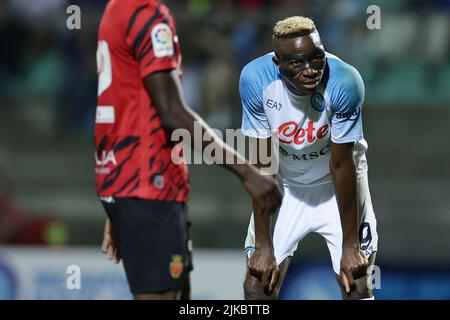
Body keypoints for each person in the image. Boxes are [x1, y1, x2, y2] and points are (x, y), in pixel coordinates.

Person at [95, 0, 282, 300]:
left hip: (129, 181)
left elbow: (125, 99)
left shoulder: (116, 9)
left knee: (180, 293)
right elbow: (171, 113)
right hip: (147, 184)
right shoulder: (148, 15)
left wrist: (120, 201)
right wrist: (248, 173)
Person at [240, 16, 378, 300]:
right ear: (278, 63)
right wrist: (264, 246)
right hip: (286, 184)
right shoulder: (255, 79)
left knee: (358, 283)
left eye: (316, 59)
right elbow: (262, 163)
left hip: (339, 183)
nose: (310, 70)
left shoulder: (345, 81)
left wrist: (351, 246)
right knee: (257, 286)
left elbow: (341, 164)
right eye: (296, 63)